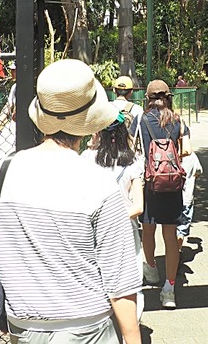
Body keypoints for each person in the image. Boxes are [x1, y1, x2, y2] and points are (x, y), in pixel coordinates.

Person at [0, 59, 142, 344]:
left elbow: (0, 246)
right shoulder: (98, 183)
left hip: (22, 325)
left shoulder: (4, 170)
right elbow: (119, 281)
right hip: (86, 327)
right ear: (89, 121)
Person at [131, 79, 192, 309]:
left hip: (149, 182)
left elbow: (134, 147)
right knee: (170, 234)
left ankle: (153, 271)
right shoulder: (177, 120)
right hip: (173, 184)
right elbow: (185, 149)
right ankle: (170, 288)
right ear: (168, 97)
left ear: (148, 98)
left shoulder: (142, 119)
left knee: (148, 229)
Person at [82, 112, 146, 320]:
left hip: (93, 229)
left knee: (96, 277)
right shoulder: (133, 161)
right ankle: (130, 323)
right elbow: (138, 206)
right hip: (125, 229)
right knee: (129, 278)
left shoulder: (88, 159)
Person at [176, 149, 203, 253]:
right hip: (186, 198)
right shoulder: (191, 156)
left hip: (171, 197)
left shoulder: (169, 154)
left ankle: (172, 252)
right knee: (181, 228)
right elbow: (198, 171)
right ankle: (177, 250)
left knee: (171, 228)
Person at [0, 60, 17, 132]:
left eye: (14, 70)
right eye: (11, 70)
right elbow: (9, 106)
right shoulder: (14, 87)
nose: (11, 73)